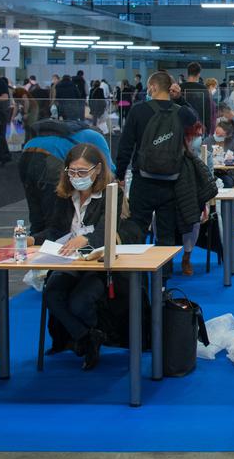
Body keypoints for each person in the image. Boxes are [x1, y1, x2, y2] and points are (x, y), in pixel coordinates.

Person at [39, 143, 129, 370]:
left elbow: (105, 232)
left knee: (80, 302)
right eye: (71, 172)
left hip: (97, 262)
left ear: (97, 169)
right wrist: (31, 239)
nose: (76, 177)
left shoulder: (112, 193)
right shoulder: (64, 195)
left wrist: (85, 239)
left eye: (81, 172)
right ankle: (88, 337)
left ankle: (87, 338)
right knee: (51, 292)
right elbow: (56, 231)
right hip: (68, 261)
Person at [114, 71, 202, 261]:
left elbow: (126, 145)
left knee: (137, 229)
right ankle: (162, 282)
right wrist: (180, 99)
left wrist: (120, 174)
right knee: (166, 235)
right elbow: (195, 119)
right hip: (171, 181)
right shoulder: (180, 112)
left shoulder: (138, 111)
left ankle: (136, 278)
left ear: (152, 87)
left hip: (142, 180)